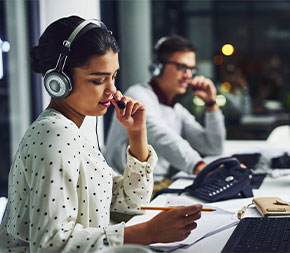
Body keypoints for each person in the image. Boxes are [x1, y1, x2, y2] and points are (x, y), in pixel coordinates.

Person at [0, 17, 202, 252]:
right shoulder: (54, 136)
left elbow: (131, 204)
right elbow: (50, 245)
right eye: (98, 80)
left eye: (113, 76)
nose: (112, 91)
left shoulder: (73, 132)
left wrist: (137, 135)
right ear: (59, 82)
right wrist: (148, 232)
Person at [105, 35, 226, 190]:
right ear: (158, 66)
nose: (188, 75)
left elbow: (213, 146)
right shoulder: (137, 95)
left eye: (191, 69)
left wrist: (211, 104)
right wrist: (199, 166)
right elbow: (163, 137)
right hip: (125, 190)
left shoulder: (176, 108)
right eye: (182, 67)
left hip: (154, 186)